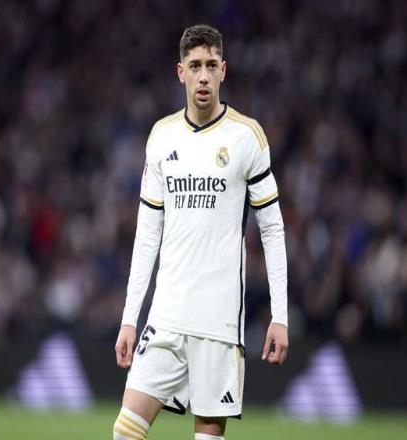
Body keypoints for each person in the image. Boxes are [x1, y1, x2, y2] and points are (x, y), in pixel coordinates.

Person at [113, 24, 288, 440]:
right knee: (124, 432)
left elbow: (273, 229)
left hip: (218, 321)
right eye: (195, 66)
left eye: (211, 65)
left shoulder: (247, 137)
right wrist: (129, 318)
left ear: (224, 70)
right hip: (166, 315)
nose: (204, 75)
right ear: (181, 73)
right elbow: (147, 234)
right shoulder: (162, 137)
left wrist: (280, 316)